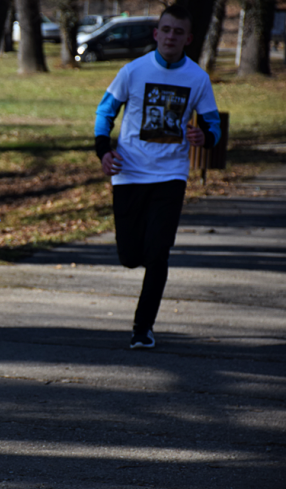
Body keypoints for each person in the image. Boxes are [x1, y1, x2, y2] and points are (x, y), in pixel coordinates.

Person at [94, 4, 221, 349]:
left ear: (188, 39)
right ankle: (137, 274)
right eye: (165, 30)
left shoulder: (197, 78)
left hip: (170, 174)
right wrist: (103, 151)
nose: (170, 36)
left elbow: (213, 125)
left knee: (158, 253)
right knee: (130, 256)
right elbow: (105, 111)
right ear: (156, 33)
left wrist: (205, 138)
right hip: (129, 173)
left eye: (178, 32)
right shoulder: (133, 71)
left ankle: (142, 329)